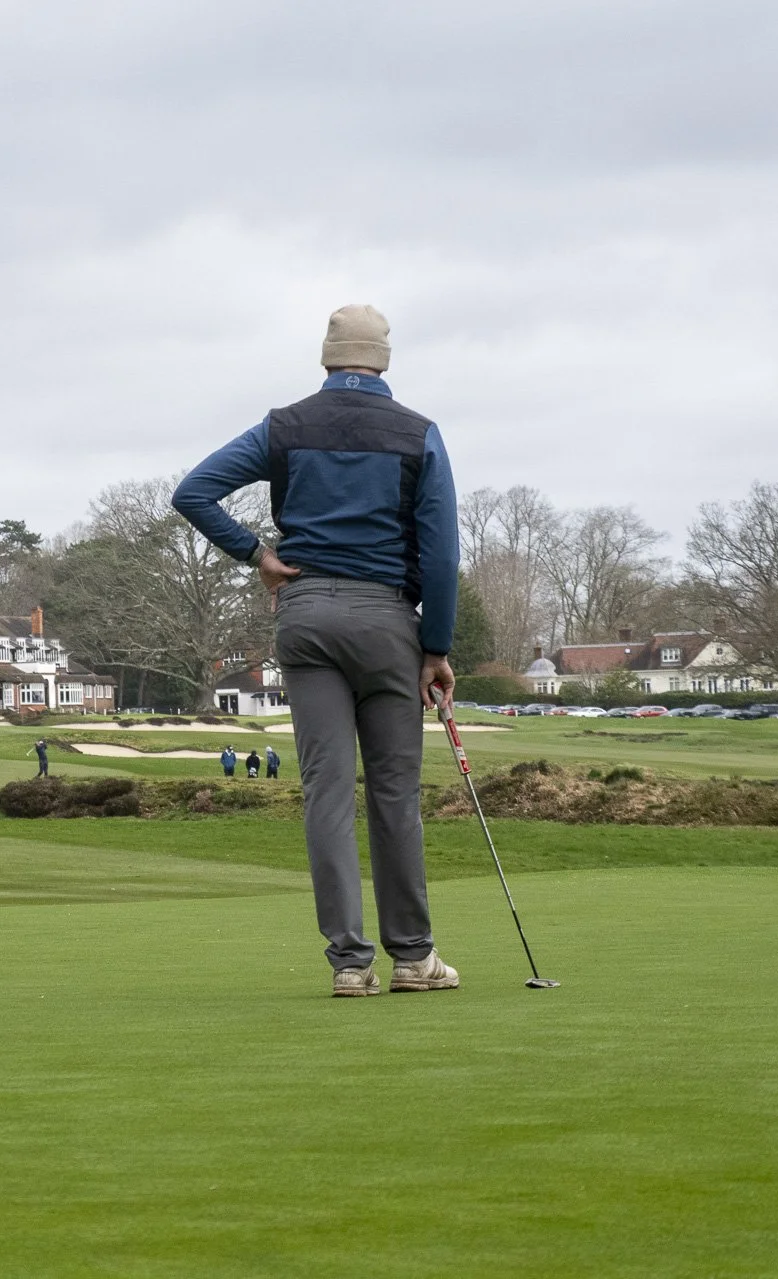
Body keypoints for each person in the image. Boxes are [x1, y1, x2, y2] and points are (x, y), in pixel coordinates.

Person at [172, 305, 460, 998]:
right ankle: (414, 959)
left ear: (327, 358)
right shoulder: (419, 434)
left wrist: (257, 555)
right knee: (393, 792)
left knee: (327, 791)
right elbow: (442, 552)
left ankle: (350, 964)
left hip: (306, 615)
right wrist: (437, 646)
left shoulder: (284, 425)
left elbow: (194, 491)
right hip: (388, 619)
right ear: (383, 360)